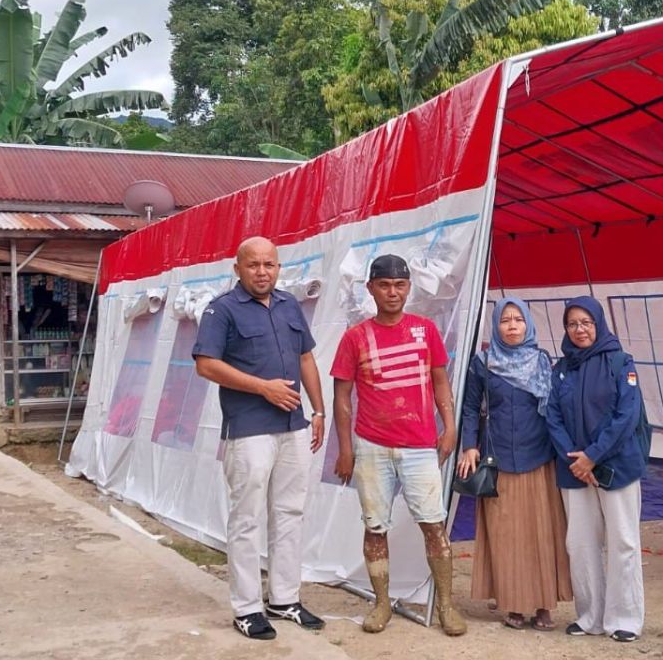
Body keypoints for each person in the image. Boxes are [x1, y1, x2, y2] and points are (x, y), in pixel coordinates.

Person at [192, 236, 327, 641]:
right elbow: (206, 365)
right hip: (249, 429)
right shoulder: (222, 310)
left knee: (290, 513)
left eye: (269, 264)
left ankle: (284, 598)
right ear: (238, 268)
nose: (262, 271)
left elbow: (306, 358)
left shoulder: (289, 306)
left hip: (294, 428)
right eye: (253, 265)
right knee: (247, 519)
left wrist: (318, 411)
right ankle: (247, 608)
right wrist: (262, 388)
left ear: (279, 267)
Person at [330, 254, 467, 637]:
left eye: (400, 285)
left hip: (421, 446)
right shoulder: (354, 337)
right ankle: (381, 604)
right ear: (371, 288)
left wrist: (450, 426)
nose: (393, 292)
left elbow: (441, 382)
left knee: (434, 525)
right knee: (375, 527)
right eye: (385, 285)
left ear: (409, 288)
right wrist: (345, 449)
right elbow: (342, 397)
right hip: (371, 447)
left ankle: (446, 605)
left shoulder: (426, 330)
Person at [457, 297, 572, 631]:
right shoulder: (483, 362)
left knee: (542, 533)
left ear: (528, 325)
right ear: (496, 326)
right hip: (499, 458)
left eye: (518, 320)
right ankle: (513, 605)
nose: (511, 326)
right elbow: (469, 407)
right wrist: (469, 447)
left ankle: (542, 605)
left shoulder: (541, 360)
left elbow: (554, 409)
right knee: (506, 534)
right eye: (505, 320)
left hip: (539, 457)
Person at [545, 295, 646, 643]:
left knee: (623, 542)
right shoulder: (560, 369)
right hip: (574, 470)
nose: (579, 330)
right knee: (581, 544)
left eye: (586, 322)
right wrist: (578, 461)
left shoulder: (621, 362)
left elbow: (626, 416)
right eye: (572, 324)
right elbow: (553, 417)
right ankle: (590, 617)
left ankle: (625, 619)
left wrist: (593, 455)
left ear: (599, 323)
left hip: (616, 467)